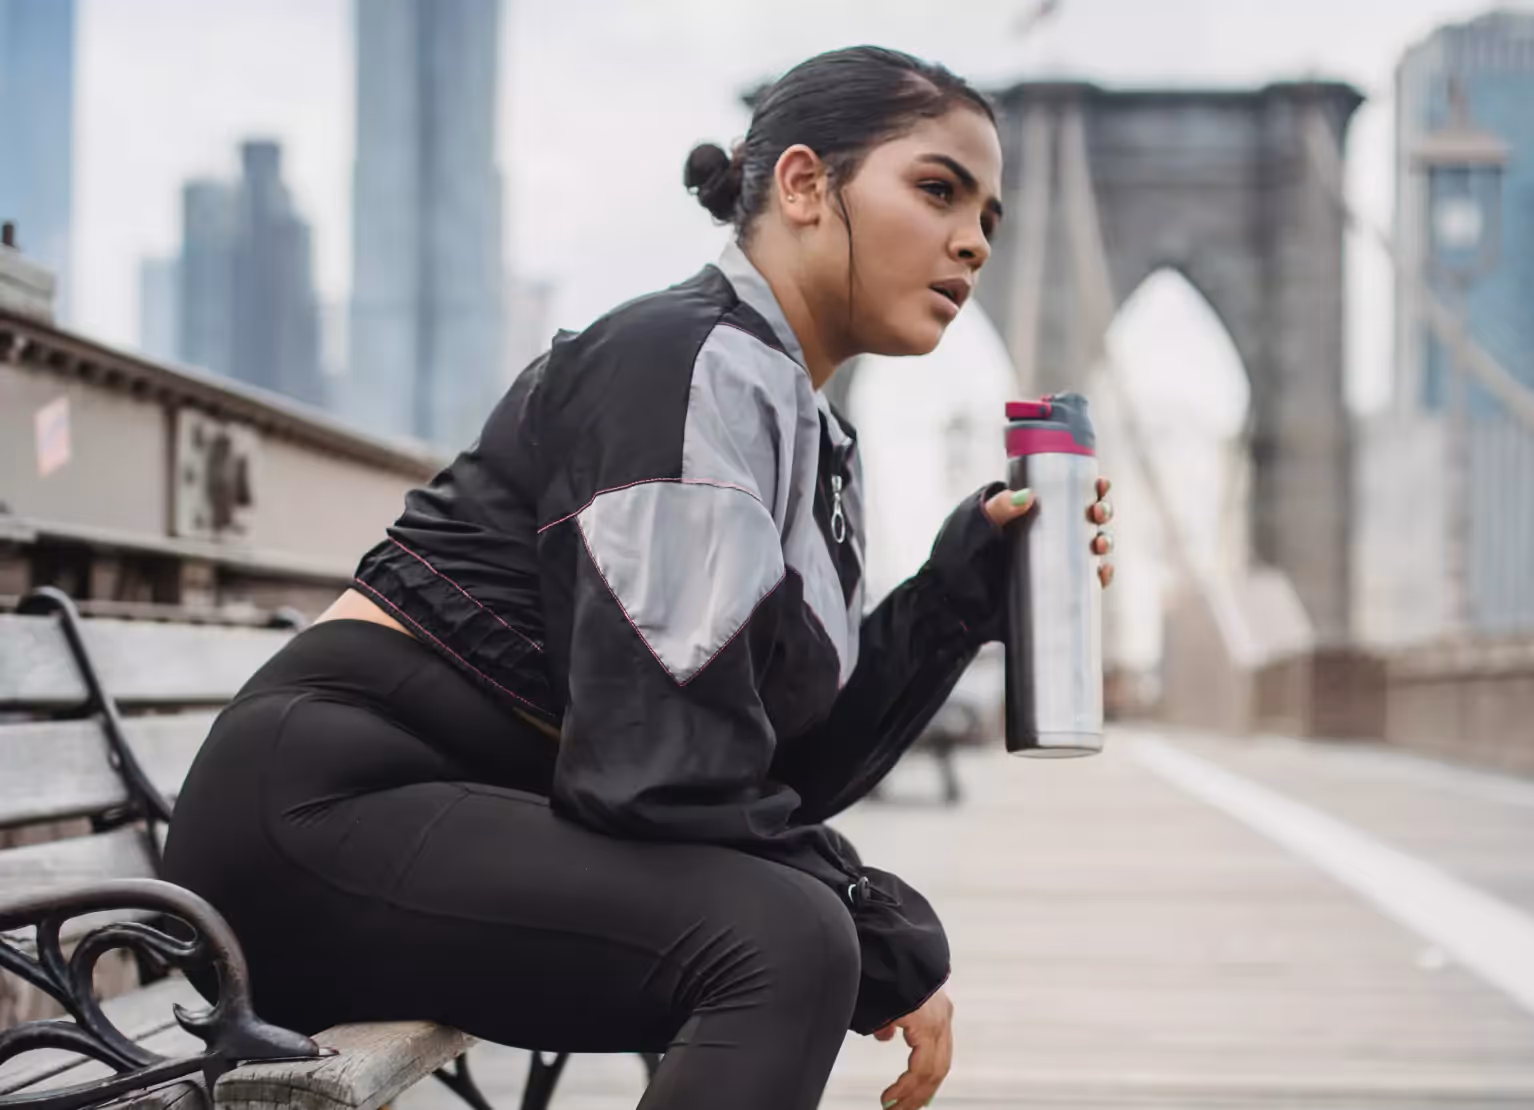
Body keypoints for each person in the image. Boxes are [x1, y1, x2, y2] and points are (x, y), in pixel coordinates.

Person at [162, 45, 1115, 1110]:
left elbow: (775, 772)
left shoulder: (802, 434)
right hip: (318, 821)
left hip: (433, 828)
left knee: (798, 927)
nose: (972, 241)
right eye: (938, 190)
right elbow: (662, 773)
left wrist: (957, 592)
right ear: (804, 184)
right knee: (786, 940)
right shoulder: (682, 360)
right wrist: (870, 912)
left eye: (989, 215)